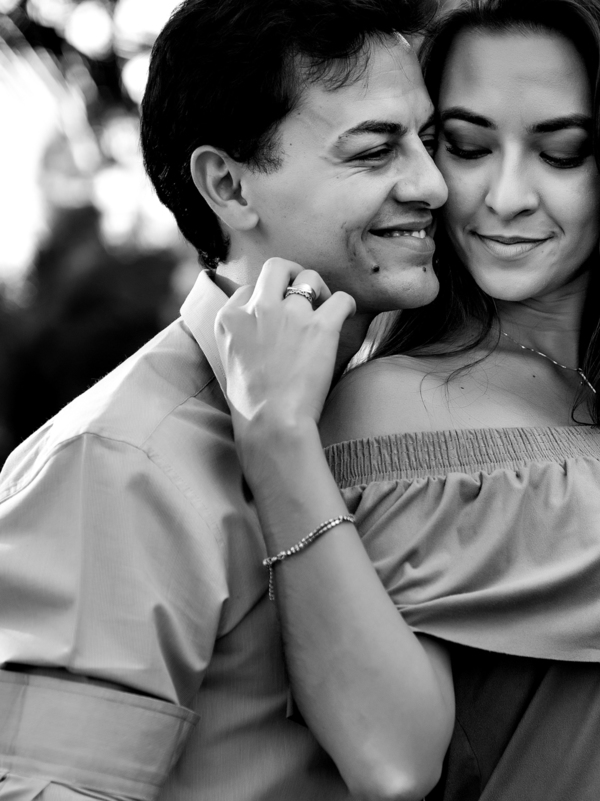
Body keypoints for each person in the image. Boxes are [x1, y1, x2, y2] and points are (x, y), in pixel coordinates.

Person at [217, 0, 600, 798]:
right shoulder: (397, 406)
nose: (505, 197)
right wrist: (278, 439)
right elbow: (389, 759)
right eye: (467, 147)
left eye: (561, 153)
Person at [0, 0, 447, 798]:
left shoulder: (403, 409)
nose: (433, 184)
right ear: (229, 184)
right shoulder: (116, 463)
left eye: (431, 140)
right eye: (376, 150)